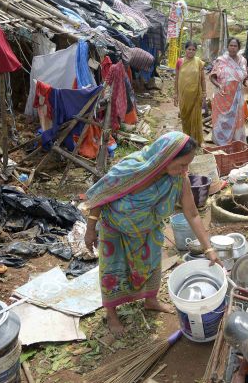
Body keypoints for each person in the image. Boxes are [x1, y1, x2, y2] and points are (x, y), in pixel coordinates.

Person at [83, 132, 221, 336]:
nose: (186, 170)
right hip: (116, 231)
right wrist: (90, 229)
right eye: (182, 164)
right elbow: (101, 196)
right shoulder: (131, 168)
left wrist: (208, 248)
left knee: (151, 265)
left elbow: (192, 213)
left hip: (148, 231)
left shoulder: (177, 179)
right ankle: (111, 314)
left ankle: (151, 300)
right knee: (113, 271)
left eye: (188, 165)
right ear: (166, 156)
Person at [209, 37, 248, 145]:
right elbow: (212, 76)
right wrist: (219, 85)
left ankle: (235, 142)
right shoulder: (221, 60)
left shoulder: (243, 61)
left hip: (237, 95)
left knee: (236, 119)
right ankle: (221, 143)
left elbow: (244, 77)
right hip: (223, 95)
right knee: (222, 119)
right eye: (231, 45)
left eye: (235, 46)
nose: (233, 48)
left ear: (239, 48)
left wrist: (247, 85)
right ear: (227, 47)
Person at [174, 41, 206, 144]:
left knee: (196, 118)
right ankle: (187, 140)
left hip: (196, 95)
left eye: (193, 50)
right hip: (184, 96)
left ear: (196, 51)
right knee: (184, 117)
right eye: (189, 49)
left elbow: (203, 79)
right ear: (185, 50)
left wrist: (204, 92)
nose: (191, 51)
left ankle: (196, 141)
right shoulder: (180, 62)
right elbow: (177, 78)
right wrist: (175, 94)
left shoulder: (199, 62)